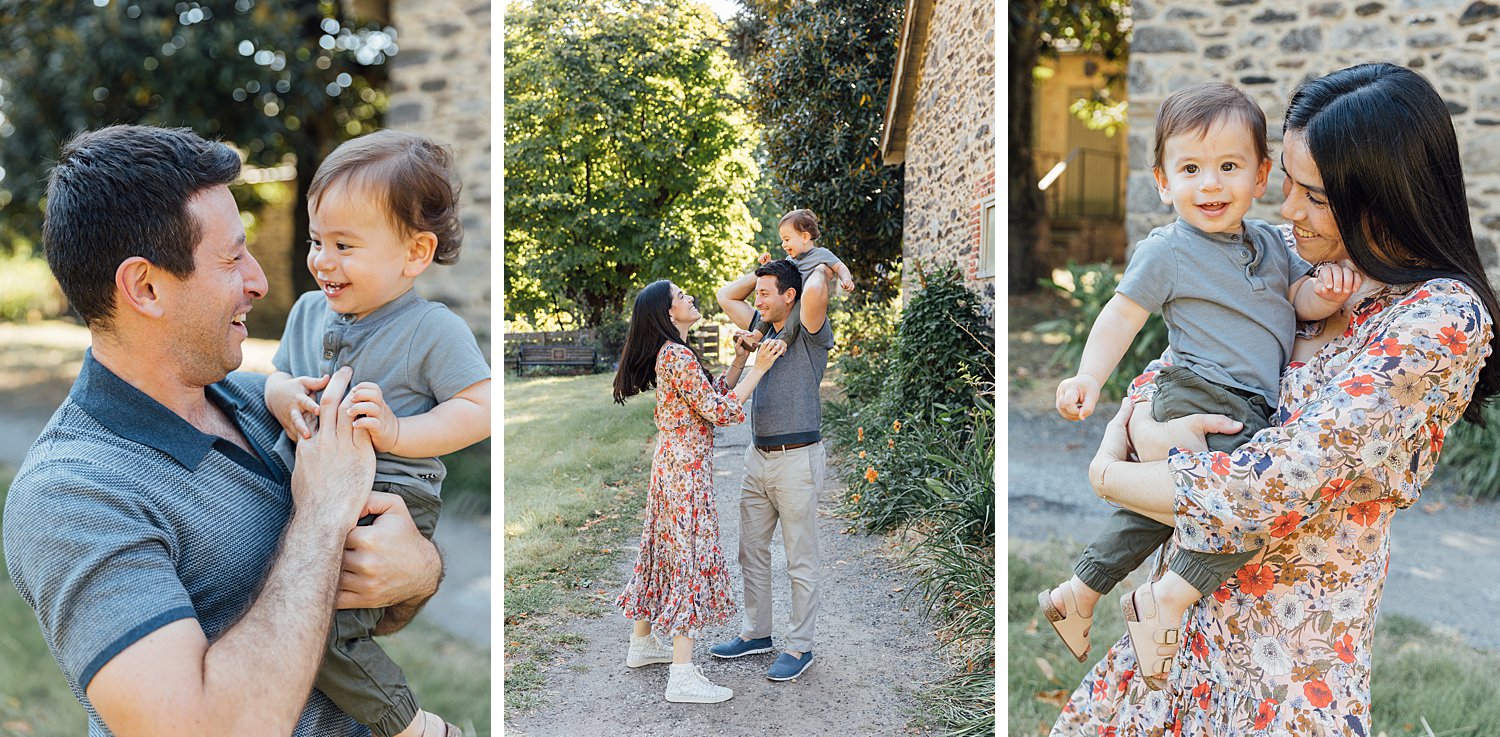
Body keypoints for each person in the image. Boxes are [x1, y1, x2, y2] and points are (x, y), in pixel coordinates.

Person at [1051, 63, 1498, 736]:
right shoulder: (1283, 257)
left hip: (1285, 667)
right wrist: (1143, 422)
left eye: (1313, 195)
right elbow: (1166, 368)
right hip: (1180, 641)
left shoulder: (1436, 320)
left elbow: (1273, 485)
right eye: (1287, 182)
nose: (1286, 209)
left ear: (1378, 198)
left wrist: (1111, 474)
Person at [2, 125, 443, 737]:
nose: (259, 281)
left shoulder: (266, 403)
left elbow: (351, 611)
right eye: (233, 257)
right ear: (145, 287)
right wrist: (320, 512)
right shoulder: (71, 495)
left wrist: (420, 569)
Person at [1042, 82, 1362, 686]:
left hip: (1250, 407)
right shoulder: (1169, 249)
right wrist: (1086, 376)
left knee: (1173, 511)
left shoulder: (1272, 243)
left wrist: (1326, 291)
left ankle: (1080, 592)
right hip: (1195, 390)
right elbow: (1120, 316)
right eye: (1190, 168)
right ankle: (1166, 596)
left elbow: (1297, 301)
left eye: (1228, 166)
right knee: (1251, 506)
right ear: (1162, 181)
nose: (1210, 183)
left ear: (1262, 175)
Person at [264, 130, 489, 737]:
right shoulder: (308, 311)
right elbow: (279, 371)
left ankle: (414, 727)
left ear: (414, 253)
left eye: (343, 244)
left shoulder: (431, 330)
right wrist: (281, 393)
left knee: (324, 628)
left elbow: (480, 406)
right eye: (317, 241)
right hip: (313, 489)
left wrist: (398, 429)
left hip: (386, 495)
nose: (322, 260)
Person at [611, 280, 786, 703]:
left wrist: (741, 361)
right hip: (684, 472)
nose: (689, 298)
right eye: (681, 296)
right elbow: (721, 412)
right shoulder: (675, 354)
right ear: (669, 313)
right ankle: (682, 674)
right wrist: (760, 368)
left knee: (662, 549)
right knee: (686, 556)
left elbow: (710, 396)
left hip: (672, 465)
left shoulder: (676, 353)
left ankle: (642, 643)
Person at [711, 257, 835, 681]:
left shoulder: (810, 332)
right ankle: (756, 633)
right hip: (756, 456)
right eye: (757, 292)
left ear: (789, 295)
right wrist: (765, 268)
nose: (756, 299)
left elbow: (815, 288)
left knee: (800, 559)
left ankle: (800, 646)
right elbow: (726, 294)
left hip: (797, 459)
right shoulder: (761, 327)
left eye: (766, 293)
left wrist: (816, 263)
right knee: (751, 551)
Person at [743, 209, 854, 350]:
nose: (783, 244)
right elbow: (780, 274)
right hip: (789, 298)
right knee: (770, 312)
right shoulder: (790, 259)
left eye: (787, 240)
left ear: (805, 237)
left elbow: (840, 266)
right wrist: (768, 265)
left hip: (804, 301)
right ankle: (755, 336)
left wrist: (846, 279)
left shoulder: (821, 254)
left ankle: (782, 342)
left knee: (793, 320)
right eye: (782, 240)